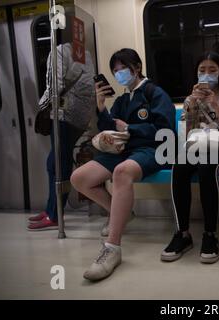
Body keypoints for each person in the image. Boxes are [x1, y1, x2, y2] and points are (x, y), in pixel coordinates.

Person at [70, 48, 176, 281]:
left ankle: (112, 248)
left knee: (122, 172)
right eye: (115, 71)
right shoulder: (122, 99)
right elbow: (110, 125)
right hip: (123, 150)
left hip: (154, 150)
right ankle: (123, 213)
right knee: (79, 178)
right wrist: (101, 108)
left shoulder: (155, 94)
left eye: (122, 69)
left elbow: (166, 131)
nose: (119, 74)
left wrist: (130, 128)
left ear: (136, 67)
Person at [160, 52, 219, 264]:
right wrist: (190, 105)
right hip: (197, 148)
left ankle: (210, 234)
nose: (206, 74)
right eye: (202, 71)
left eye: (212, 70)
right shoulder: (191, 99)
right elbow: (185, 134)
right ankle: (183, 233)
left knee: (208, 167)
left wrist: (216, 106)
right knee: (178, 166)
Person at [27, 42, 95, 231]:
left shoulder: (57, 51)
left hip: (64, 114)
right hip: (81, 116)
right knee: (56, 162)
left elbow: (54, 86)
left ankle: (54, 215)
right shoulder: (84, 52)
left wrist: (41, 108)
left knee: (57, 164)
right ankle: (51, 209)